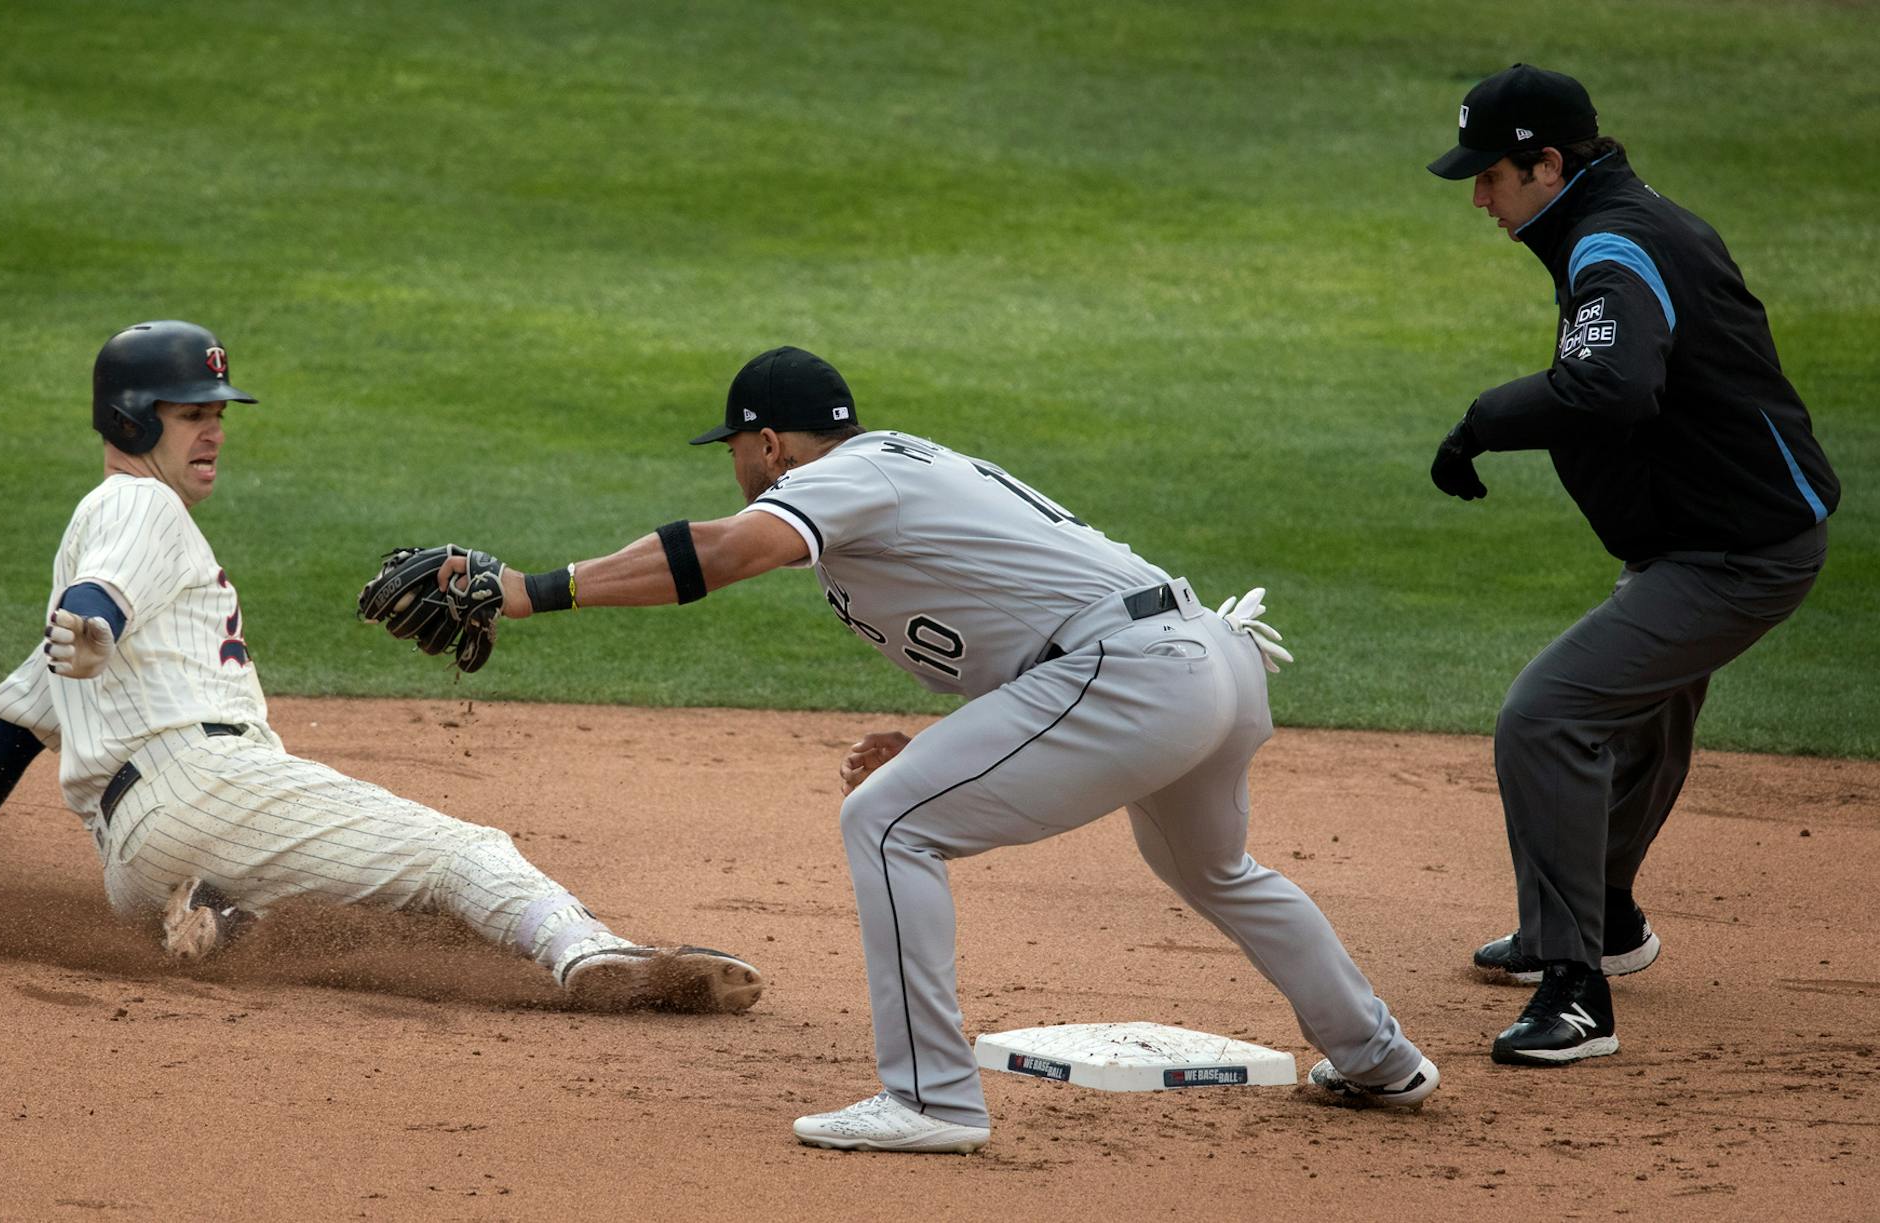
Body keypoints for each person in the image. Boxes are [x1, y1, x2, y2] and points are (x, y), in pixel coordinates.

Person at [374, 345, 1438, 1152]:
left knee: (886, 821)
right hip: (1202, 659)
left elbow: (727, 550)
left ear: (771, 443)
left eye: (740, 450)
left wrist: (527, 591)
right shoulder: (894, 487)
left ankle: (931, 1095)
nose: (743, 470)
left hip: (1141, 667)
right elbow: (1034, 635)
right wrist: (943, 736)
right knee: (1212, 866)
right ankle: (1379, 1057)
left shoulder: (852, 474)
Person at [0, 320, 764, 1016]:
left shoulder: (115, 527)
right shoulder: (141, 512)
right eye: (191, 416)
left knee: (382, 911)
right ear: (130, 416)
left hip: (134, 858)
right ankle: (598, 959)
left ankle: (223, 920)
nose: (213, 433)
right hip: (205, 785)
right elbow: (96, 605)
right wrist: (88, 623)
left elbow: (23, 722)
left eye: (217, 416)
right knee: (466, 855)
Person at [1425, 65, 1838, 1065]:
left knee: (1548, 715)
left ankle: (1575, 989)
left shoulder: (1614, 241)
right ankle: (1602, 915)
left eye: (1493, 175)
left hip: (1738, 552)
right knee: (1639, 710)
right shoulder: (1618, 220)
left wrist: (1485, 422)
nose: (1480, 195)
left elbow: (1612, 383)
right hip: (1715, 535)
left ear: (1549, 163)